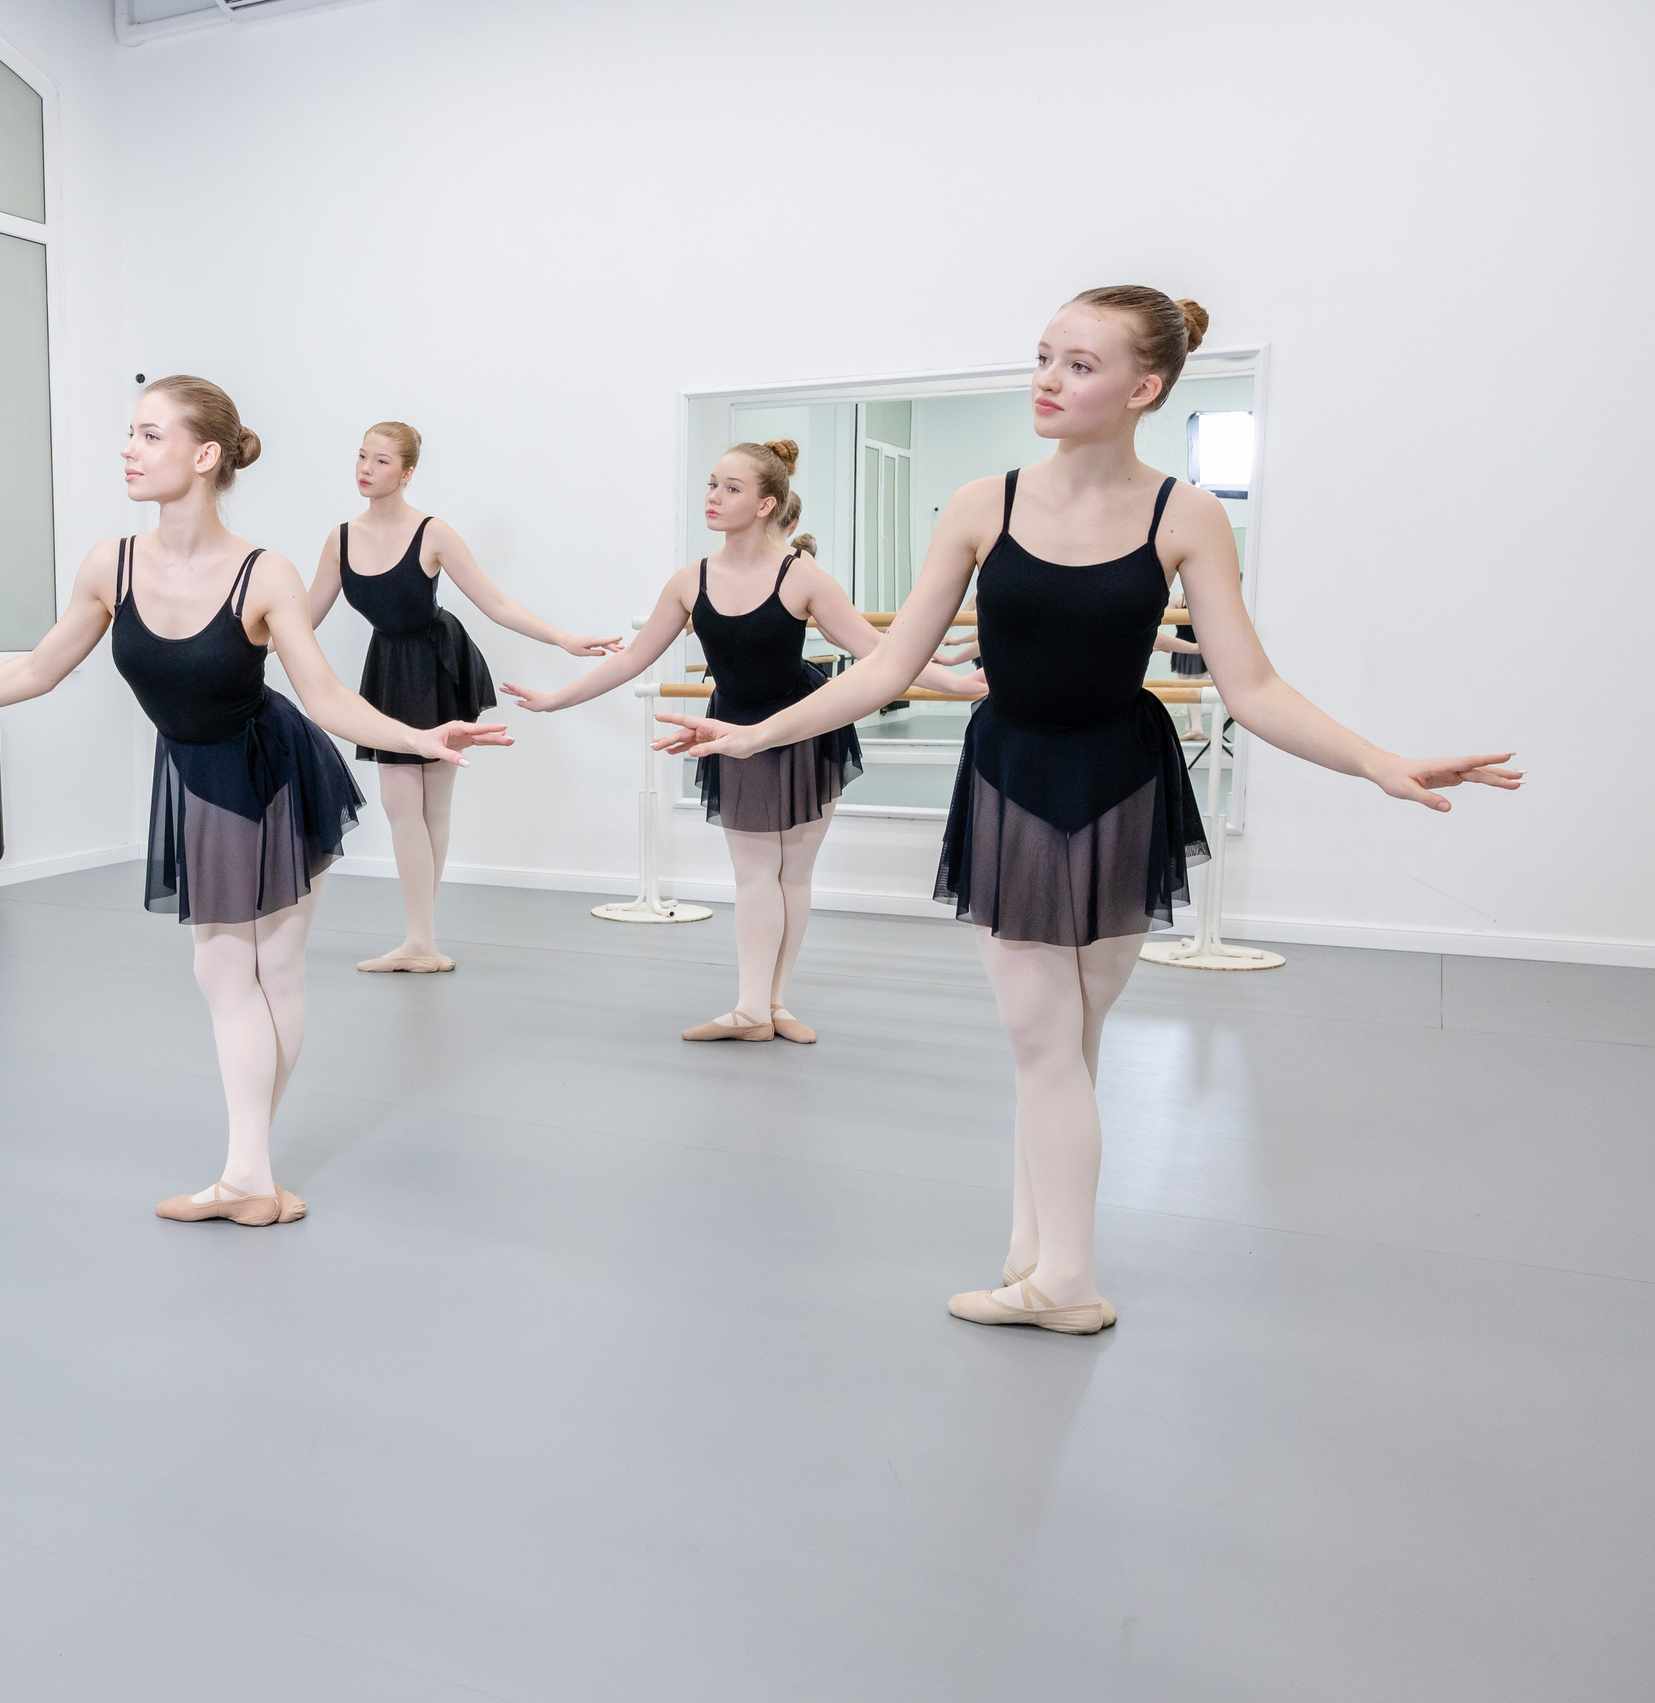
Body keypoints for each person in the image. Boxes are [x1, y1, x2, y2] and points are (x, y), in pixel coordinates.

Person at [657, 289, 1520, 1334]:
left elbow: (1251, 686)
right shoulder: (983, 505)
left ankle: (1061, 1276)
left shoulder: (1185, 515)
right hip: (1013, 776)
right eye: (1042, 357)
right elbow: (887, 666)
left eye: (1078, 364)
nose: (1047, 380)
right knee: (1046, 1036)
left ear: (1143, 387)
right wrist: (754, 735)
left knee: (1065, 1038)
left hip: (1122, 779)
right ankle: (1038, 1255)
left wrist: (1378, 762)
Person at [0, 377, 507, 1226]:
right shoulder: (109, 566)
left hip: (273, 768)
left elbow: (326, 696)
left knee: (263, 969)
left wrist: (420, 737)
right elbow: (38, 668)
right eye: (131, 433)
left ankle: (247, 1175)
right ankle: (251, 1176)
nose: (129, 449)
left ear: (205, 454)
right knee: (227, 970)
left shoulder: (264, 573)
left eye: (151, 435)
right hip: (195, 771)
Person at [503, 440, 979, 1043]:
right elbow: (633, 660)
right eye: (711, 484)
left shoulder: (801, 577)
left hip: (806, 726)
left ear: (765, 504)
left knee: (794, 874)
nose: (713, 497)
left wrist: (959, 685)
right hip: (731, 730)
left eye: (731, 488)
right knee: (755, 873)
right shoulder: (690, 582)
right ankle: (751, 1008)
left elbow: (881, 653)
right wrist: (556, 700)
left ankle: (774, 1005)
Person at [306, 423, 619, 973]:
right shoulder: (341, 539)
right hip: (388, 667)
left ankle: (420, 942)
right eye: (361, 456)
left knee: (433, 805)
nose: (366, 469)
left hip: (438, 664)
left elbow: (496, 604)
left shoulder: (433, 533)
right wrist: (237, 641)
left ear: (407, 472)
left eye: (381, 461)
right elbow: (303, 617)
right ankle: (420, 943)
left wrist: (565, 639)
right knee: (401, 804)